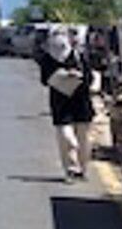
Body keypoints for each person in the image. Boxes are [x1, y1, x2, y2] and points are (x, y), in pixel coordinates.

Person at [36, 28, 96, 181]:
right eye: (55, 35)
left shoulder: (78, 55)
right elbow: (44, 80)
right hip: (60, 104)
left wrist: (78, 76)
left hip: (81, 101)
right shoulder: (47, 58)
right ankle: (70, 168)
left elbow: (89, 77)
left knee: (84, 139)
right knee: (66, 138)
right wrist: (62, 76)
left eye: (62, 35)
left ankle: (83, 169)